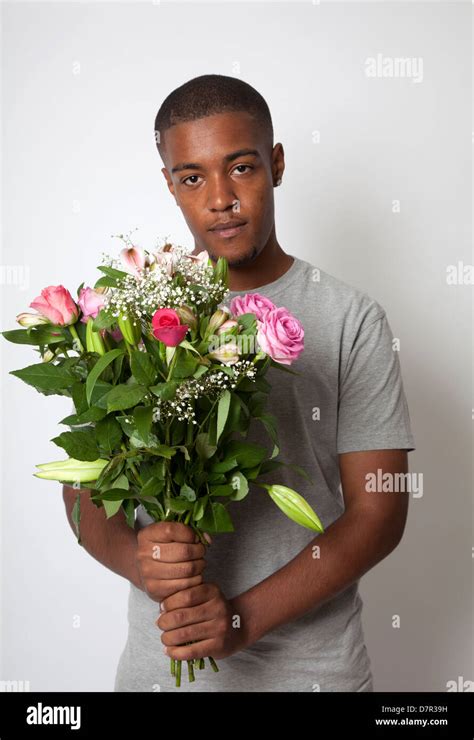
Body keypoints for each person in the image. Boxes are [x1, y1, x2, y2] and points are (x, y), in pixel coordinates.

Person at [63, 74, 416, 692]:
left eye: (242, 167)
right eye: (192, 177)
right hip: (158, 674)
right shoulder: (132, 316)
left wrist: (239, 618)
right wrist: (136, 560)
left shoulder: (351, 317)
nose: (220, 197)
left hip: (313, 673)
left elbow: (380, 510)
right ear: (170, 185)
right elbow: (82, 487)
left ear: (276, 165)